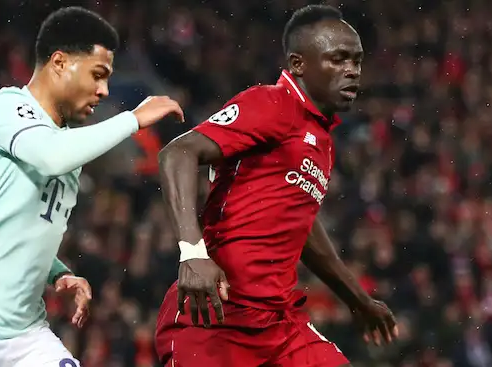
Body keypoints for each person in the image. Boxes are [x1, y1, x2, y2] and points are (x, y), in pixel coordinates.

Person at [0, 6, 184, 367]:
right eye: (97, 75)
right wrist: (134, 119)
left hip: (23, 336)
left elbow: (25, 228)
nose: (104, 90)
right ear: (59, 62)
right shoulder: (7, 107)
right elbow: (50, 156)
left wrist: (58, 272)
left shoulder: (67, 148)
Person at [155, 5, 396, 367]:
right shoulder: (271, 103)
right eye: (338, 59)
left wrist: (358, 299)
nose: (352, 71)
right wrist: (192, 252)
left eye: (357, 61)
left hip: (280, 325)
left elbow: (301, 225)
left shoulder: (321, 136)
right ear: (298, 64)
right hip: (217, 318)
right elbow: (177, 152)